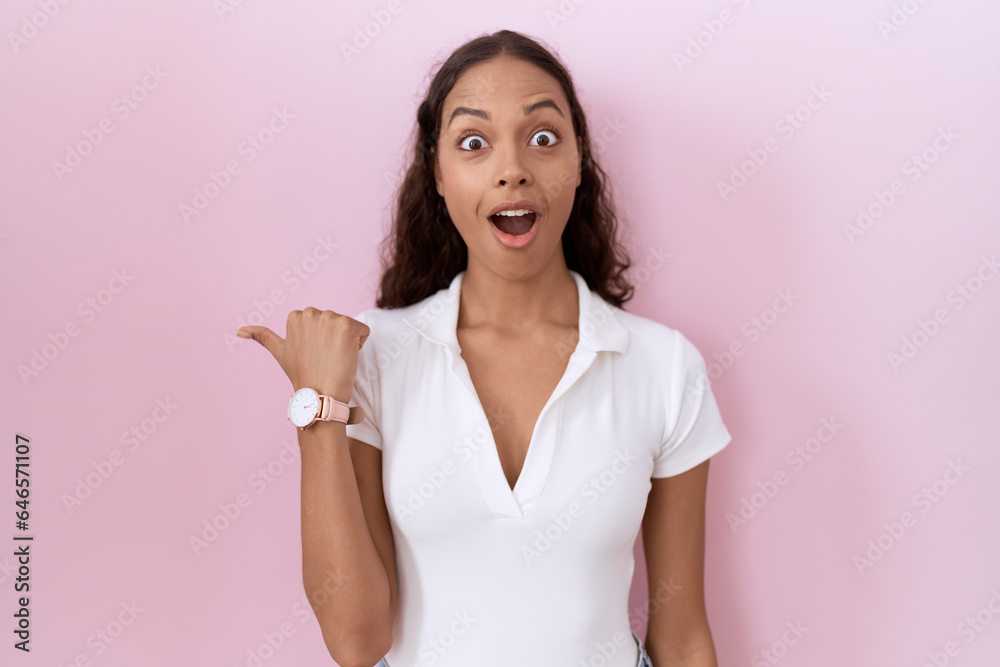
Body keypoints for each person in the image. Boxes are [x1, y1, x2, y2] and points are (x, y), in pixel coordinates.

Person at [237, 29, 731, 667]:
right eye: (474, 142)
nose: (513, 168)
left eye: (544, 137)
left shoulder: (663, 367)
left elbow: (682, 631)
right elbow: (357, 642)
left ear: (579, 160)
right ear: (438, 175)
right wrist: (318, 406)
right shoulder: (375, 353)